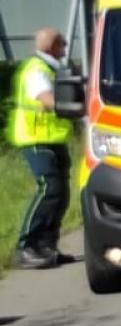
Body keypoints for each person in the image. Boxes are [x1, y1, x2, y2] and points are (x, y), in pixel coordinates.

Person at [8, 29, 75, 269]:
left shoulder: (51, 68)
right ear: (51, 46)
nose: (66, 48)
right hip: (36, 138)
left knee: (61, 194)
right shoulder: (38, 69)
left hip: (53, 138)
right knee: (49, 188)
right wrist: (74, 107)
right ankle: (26, 246)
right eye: (63, 44)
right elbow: (45, 98)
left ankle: (46, 245)